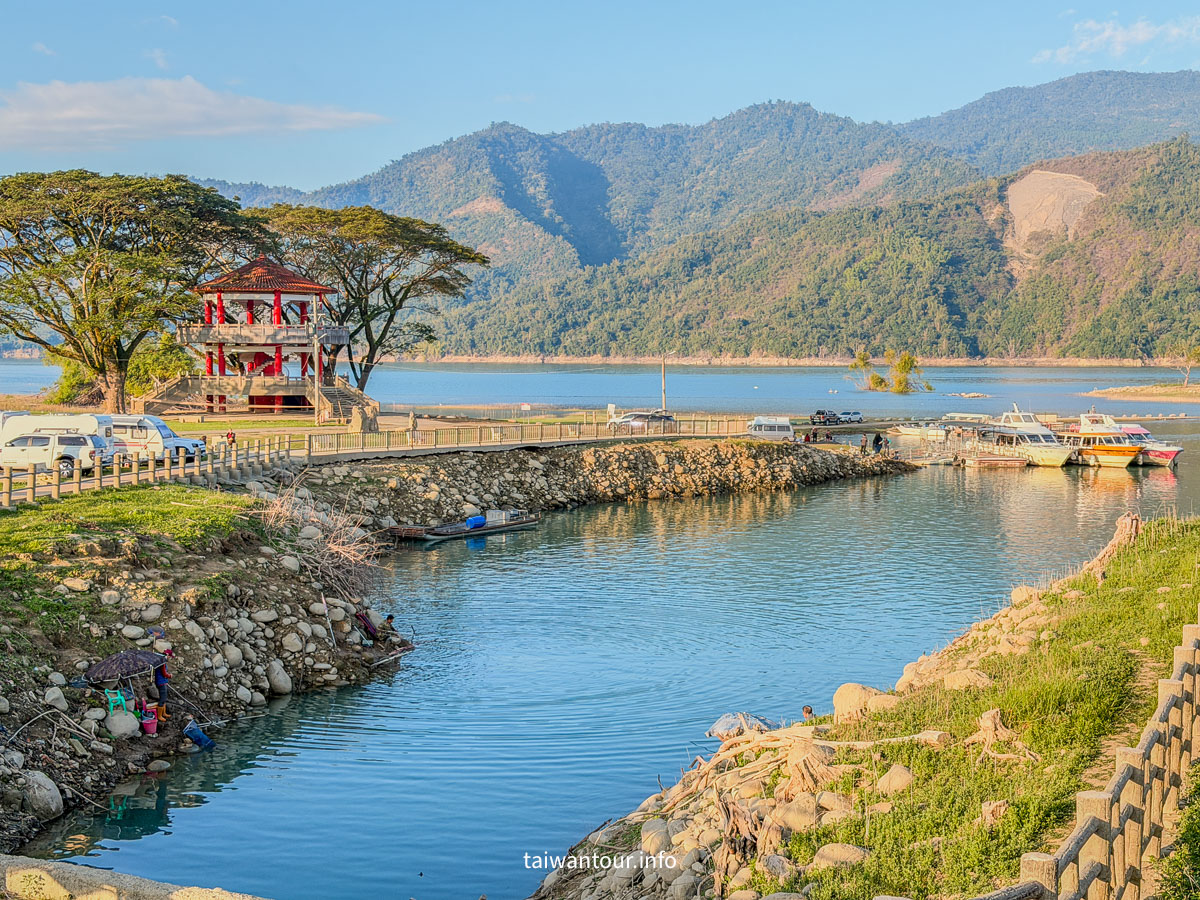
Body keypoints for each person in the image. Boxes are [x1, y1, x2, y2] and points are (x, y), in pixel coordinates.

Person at [154, 654, 171, 720]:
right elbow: (164, 673)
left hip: (162, 681)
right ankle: (159, 716)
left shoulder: (161, 661)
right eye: (170, 656)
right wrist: (169, 676)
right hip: (161, 682)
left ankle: (164, 713)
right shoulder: (162, 662)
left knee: (164, 698)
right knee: (162, 699)